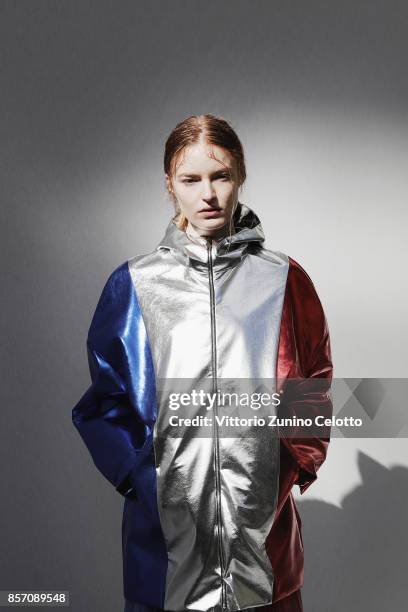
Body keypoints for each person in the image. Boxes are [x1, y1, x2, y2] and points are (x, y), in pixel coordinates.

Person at [72, 114, 333, 612]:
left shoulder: (284, 280)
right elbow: (106, 399)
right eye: (191, 180)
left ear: (240, 177)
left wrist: (291, 466)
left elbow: (313, 380)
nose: (208, 194)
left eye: (221, 176)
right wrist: (143, 479)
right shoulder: (134, 284)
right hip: (167, 544)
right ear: (170, 185)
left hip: (263, 541)